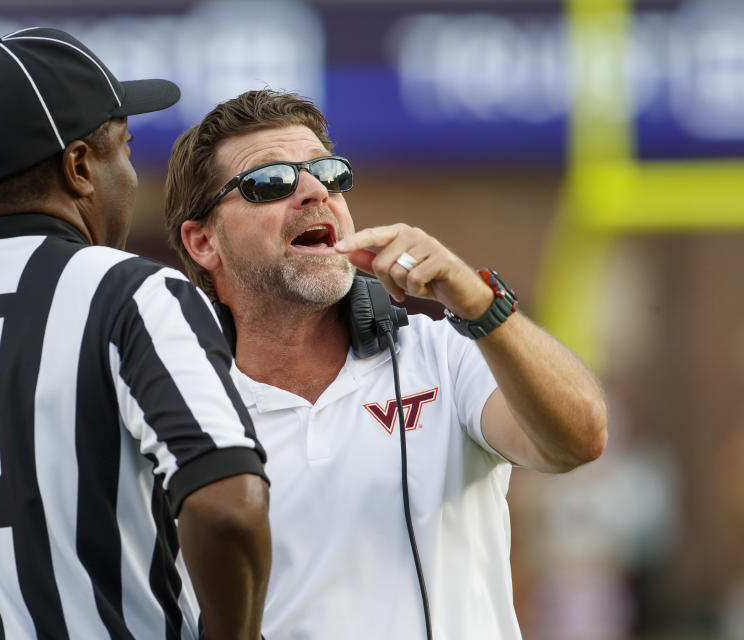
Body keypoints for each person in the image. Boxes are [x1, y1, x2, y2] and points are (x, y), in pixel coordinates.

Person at [0, 28, 271, 640]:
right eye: (124, 149)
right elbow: (229, 506)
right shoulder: (132, 294)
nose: (132, 174)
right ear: (80, 166)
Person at [163, 89, 608, 639]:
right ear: (203, 242)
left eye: (328, 172)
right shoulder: (174, 409)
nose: (312, 191)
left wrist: (477, 304)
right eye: (271, 182)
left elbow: (580, 438)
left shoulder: (444, 351)